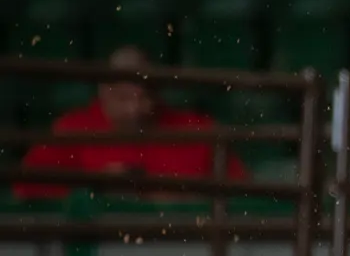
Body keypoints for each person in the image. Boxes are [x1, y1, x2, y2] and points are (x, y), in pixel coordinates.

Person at [15, 45, 249, 200]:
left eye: (145, 97)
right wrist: (93, 188)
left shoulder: (199, 130)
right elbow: (25, 191)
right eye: (122, 97)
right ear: (103, 92)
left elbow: (243, 195)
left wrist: (173, 196)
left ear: (159, 92)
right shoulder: (71, 130)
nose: (134, 109)